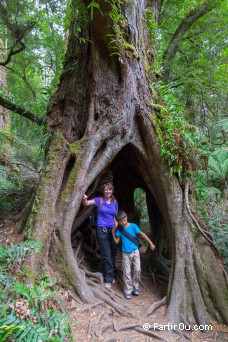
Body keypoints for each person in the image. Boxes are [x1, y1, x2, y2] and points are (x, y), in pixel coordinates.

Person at [112, 210, 155, 299]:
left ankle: (136, 285)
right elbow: (116, 241)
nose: (123, 223)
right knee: (126, 273)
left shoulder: (133, 226)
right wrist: (113, 232)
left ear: (126, 217)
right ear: (118, 223)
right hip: (125, 254)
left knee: (137, 270)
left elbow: (142, 234)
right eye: (121, 222)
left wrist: (151, 243)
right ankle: (128, 289)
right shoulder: (119, 230)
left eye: (124, 220)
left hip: (135, 252)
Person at [82, 182, 118, 288]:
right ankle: (108, 279)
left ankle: (111, 275)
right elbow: (86, 203)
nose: (108, 192)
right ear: (103, 191)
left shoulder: (115, 202)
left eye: (110, 190)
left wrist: (115, 226)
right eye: (106, 190)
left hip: (112, 231)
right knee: (106, 254)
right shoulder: (99, 200)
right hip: (101, 230)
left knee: (113, 253)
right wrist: (84, 198)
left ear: (112, 191)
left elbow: (115, 216)